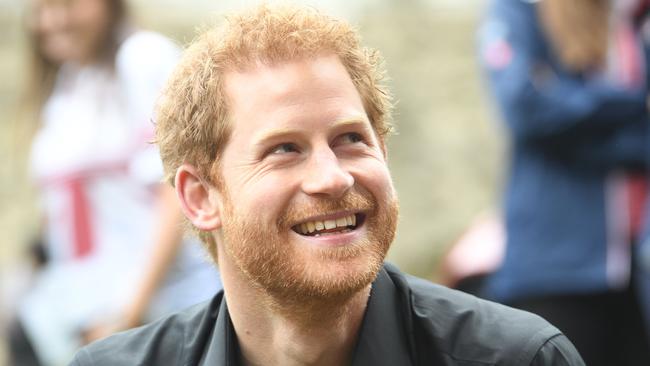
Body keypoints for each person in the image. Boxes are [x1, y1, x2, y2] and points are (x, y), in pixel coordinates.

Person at [69, 4, 585, 365]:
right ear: (201, 197)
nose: (332, 177)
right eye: (284, 149)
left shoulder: (520, 359)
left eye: (350, 139)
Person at [9, 0, 221, 365]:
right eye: (43, 8)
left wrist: (128, 313)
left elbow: (175, 190)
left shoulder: (142, 58)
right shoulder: (68, 83)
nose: (54, 20)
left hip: (159, 313)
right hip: (93, 317)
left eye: (69, 5)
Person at [479, 0, 650, 364]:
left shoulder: (633, 20)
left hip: (634, 273)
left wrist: (571, 110)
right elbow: (526, 108)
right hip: (554, 270)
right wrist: (631, 102)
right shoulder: (520, 10)